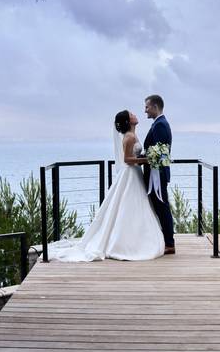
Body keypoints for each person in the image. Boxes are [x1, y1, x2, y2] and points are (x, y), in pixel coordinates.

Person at [46, 110, 165, 261]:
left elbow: (133, 156)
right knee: (129, 206)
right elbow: (127, 160)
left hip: (135, 174)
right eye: (131, 114)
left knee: (133, 206)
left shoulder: (132, 135)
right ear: (128, 121)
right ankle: (125, 243)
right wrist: (146, 160)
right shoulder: (129, 137)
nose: (135, 114)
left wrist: (142, 158)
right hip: (130, 173)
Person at [143, 94, 175, 254]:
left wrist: (142, 159)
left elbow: (161, 152)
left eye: (147, 107)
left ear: (155, 107)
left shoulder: (161, 125)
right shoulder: (158, 123)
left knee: (162, 207)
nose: (145, 110)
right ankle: (164, 239)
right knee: (159, 207)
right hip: (156, 173)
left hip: (158, 174)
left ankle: (170, 243)